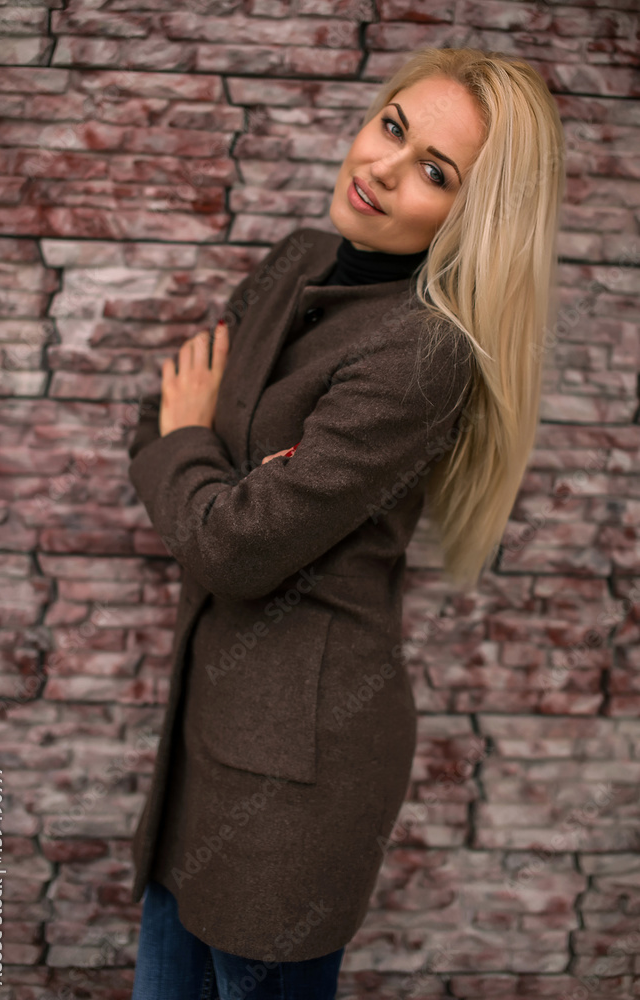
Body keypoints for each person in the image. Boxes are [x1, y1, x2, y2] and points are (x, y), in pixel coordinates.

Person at [128, 45, 565, 1000]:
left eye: (434, 173)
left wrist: (202, 460)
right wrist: (213, 469)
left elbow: (232, 547)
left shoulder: (421, 354)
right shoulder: (295, 261)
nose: (382, 168)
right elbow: (155, 417)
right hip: (200, 740)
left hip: (298, 773)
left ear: (470, 216)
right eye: (393, 128)